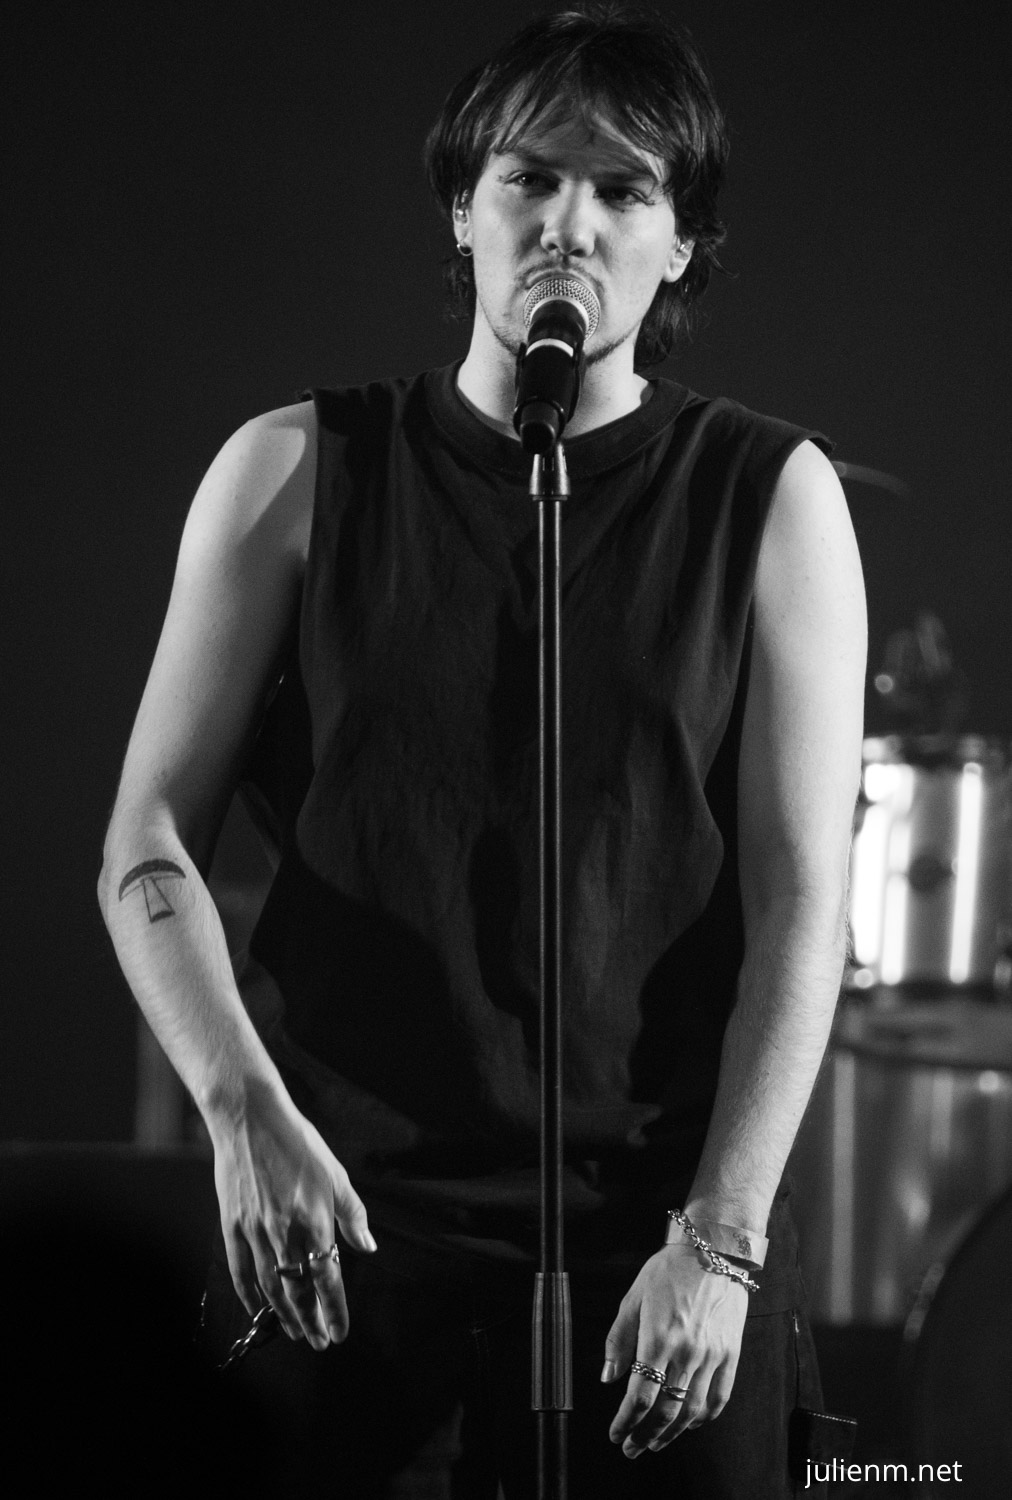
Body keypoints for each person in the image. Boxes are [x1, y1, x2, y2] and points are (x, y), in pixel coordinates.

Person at [98, 6, 865, 1496]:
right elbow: (146, 837)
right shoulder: (293, 472)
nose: (570, 224)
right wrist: (241, 1113)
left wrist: (722, 1238)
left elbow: (801, 901)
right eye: (531, 177)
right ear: (465, 207)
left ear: (683, 245)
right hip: (344, 1235)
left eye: (623, 190)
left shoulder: (770, 498)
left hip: (663, 1251)